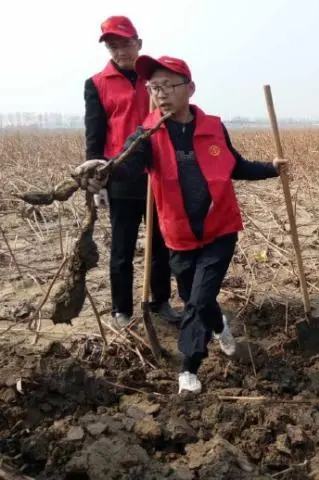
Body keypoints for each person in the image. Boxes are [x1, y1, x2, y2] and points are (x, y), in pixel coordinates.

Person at [74, 55, 288, 394]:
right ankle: (221, 329)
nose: (160, 94)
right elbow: (127, 167)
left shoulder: (214, 127)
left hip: (220, 228)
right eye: (154, 87)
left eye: (168, 86)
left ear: (190, 88)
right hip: (178, 234)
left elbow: (235, 166)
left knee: (197, 300)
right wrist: (104, 170)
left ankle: (188, 367)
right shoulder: (145, 135)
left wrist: (271, 168)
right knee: (196, 296)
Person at [84, 15, 179, 329]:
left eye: (125, 43)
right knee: (122, 248)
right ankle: (121, 310)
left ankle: (161, 301)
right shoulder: (97, 84)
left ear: (138, 43)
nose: (120, 50)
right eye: (113, 45)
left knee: (161, 245)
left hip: (158, 172)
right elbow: (95, 135)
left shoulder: (154, 79)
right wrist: (96, 180)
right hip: (122, 176)